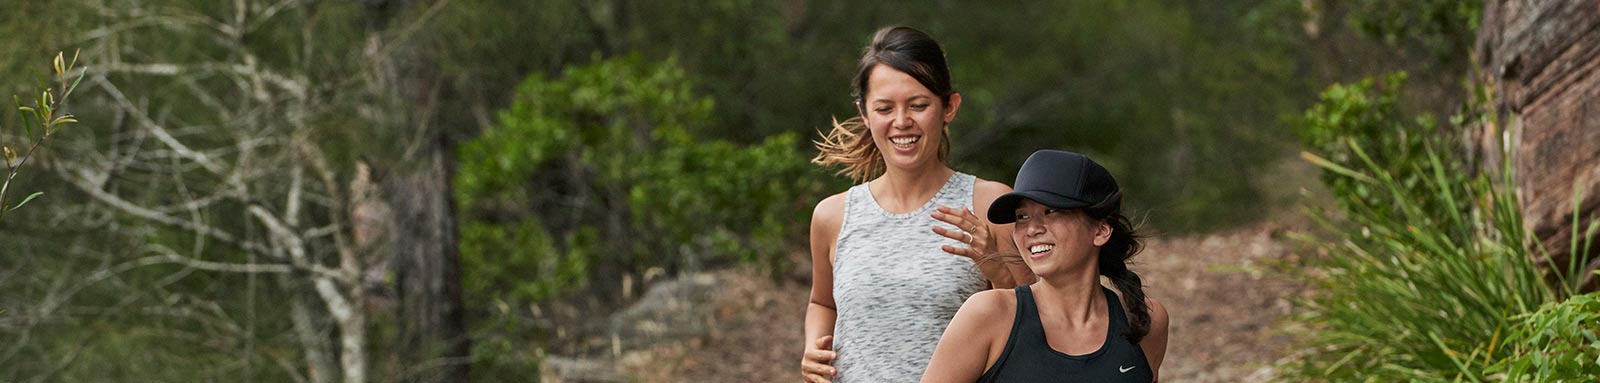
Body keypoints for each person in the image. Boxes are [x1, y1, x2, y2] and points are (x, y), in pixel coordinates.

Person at [800, 26, 1035, 383]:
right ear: (864, 114)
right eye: (884, 108)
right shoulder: (833, 215)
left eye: (918, 105)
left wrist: (995, 268)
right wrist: (813, 349)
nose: (901, 122)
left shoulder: (990, 204)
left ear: (949, 107)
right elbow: (822, 303)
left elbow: (1036, 323)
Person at [920, 150, 1171, 382]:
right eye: (1022, 217)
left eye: (1051, 211)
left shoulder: (1146, 321)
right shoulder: (989, 315)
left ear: (1101, 230)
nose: (1032, 229)